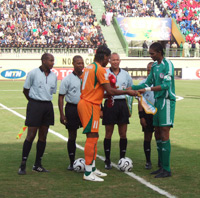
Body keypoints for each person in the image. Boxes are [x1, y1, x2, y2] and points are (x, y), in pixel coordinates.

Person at [77, 45, 138, 182]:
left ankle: (92, 169)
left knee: (94, 136)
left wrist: (108, 93)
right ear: (104, 57)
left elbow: (95, 89)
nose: (108, 61)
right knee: (92, 137)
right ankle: (87, 173)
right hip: (90, 105)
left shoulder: (89, 67)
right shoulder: (99, 69)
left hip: (89, 102)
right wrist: (126, 92)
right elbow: (110, 91)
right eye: (108, 58)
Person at [131, 42, 176, 178]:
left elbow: (166, 86)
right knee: (157, 132)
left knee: (164, 132)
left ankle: (167, 169)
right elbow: (147, 82)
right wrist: (131, 87)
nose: (150, 56)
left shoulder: (167, 64)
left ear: (159, 52)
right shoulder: (155, 66)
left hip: (166, 102)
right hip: (157, 102)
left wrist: (147, 89)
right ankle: (161, 166)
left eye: (152, 53)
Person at [18, 53, 57, 175]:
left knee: (43, 136)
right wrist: (32, 102)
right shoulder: (33, 73)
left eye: (53, 61)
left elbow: (52, 92)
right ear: (44, 61)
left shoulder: (54, 76)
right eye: (51, 60)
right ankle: (23, 164)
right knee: (31, 135)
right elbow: (25, 90)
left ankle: (37, 164)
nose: (52, 63)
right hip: (35, 105)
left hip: (47, 106)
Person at [102, 53, 133, 170]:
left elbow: (131, 88)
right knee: (108, 133)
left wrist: (129, 106)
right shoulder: (105, 74)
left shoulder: (125, 74)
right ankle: (107, 159)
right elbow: (101, 92)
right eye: (113, 60)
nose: (115, 62)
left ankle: (122, 158)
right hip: (110, 103)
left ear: (120, 61)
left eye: (117, 60)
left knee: (123, 133)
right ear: (109, 61)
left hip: (122, 105)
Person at [58, 55, 84, 171]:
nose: (81, 65)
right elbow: (61, 97)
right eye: (78, 63)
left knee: (91, 134)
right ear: (73, 64)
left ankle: (90, 160)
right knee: (72, 135)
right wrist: (62, 114)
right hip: (72, 109)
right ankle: (71, 161)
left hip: (85, 108)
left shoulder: (86, 78)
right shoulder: (67, 79)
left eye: (82, 63)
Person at [137, 62, 160, 170]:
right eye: (148, 70)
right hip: (147, 114)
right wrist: (141, 116)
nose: (149, 72)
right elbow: (140, 102)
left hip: (158, 113)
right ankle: (148, 161)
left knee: (159, 137)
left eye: (151, 69)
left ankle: (161, 160)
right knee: (147, 137)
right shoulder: (142, 84)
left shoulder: (159, 84)